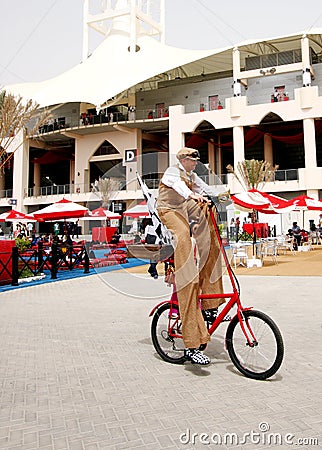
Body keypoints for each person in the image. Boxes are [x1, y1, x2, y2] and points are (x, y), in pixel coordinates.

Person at [157, 147, 229, 365]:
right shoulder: (172, 172)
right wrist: (192, 194)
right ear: (184, 160)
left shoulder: (192, 175)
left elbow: (206, 188)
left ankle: (211, 301)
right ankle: (191, 345)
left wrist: (226, 195)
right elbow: (179, 187)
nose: (196, 164)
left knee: (209, 215)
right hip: (169, 210)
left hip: (184, 207)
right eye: (193, 161)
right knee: (184, 238)